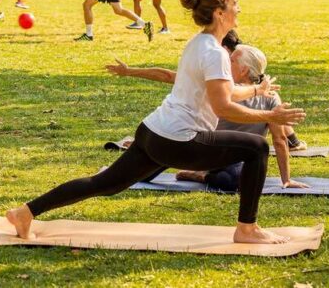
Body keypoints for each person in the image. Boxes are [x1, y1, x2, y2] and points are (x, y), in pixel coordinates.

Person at [5, 0, 306, 245]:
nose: (239, 8)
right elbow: (223, 106)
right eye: (234, 3)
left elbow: (224, 91)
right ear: (219, 12)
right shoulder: (214, 52)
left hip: (153, 131)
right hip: (179, 139)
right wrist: (270, 117)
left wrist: (256, 91)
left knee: (106, 184)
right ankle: (247, 228)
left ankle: (25, 213)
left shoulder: (201, 43)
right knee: (256, 147)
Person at [106, 43, 309, 191]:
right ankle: (117, 170)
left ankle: (199, 175)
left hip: (226, 158)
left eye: (231, 59)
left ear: (244, 69)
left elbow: (280, 140)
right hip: (192, 146)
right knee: (141, 175)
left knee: (232, 182)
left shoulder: (269, 97)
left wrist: (286, 180)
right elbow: (168, 76)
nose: (225, 60)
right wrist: (129, 71)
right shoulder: (214, 84)